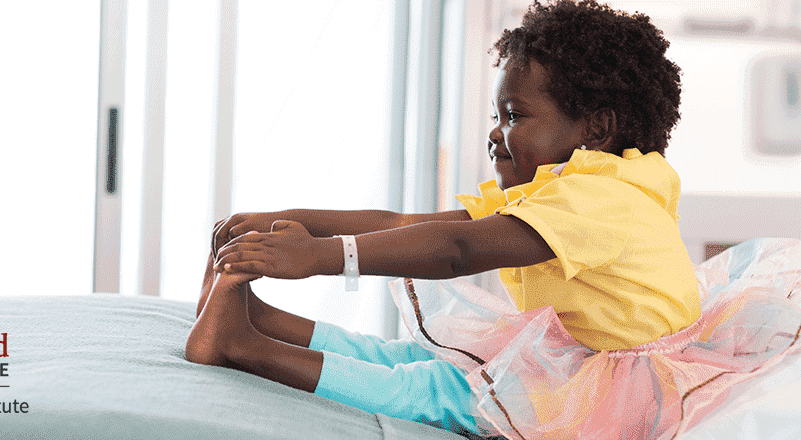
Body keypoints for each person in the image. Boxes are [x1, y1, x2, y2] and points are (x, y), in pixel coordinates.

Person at [185, 1, 801, 439]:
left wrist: (323, 256)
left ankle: (244, 346)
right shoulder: (563, 186)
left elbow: (458, 250)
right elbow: (405, 222)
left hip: (624, 384)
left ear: (596, 128)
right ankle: (267, 322)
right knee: (417, 359)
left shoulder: (601, 200)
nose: (495, 134)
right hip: (579, 354)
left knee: (440, 392)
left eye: (514, 114)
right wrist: (287, 222)